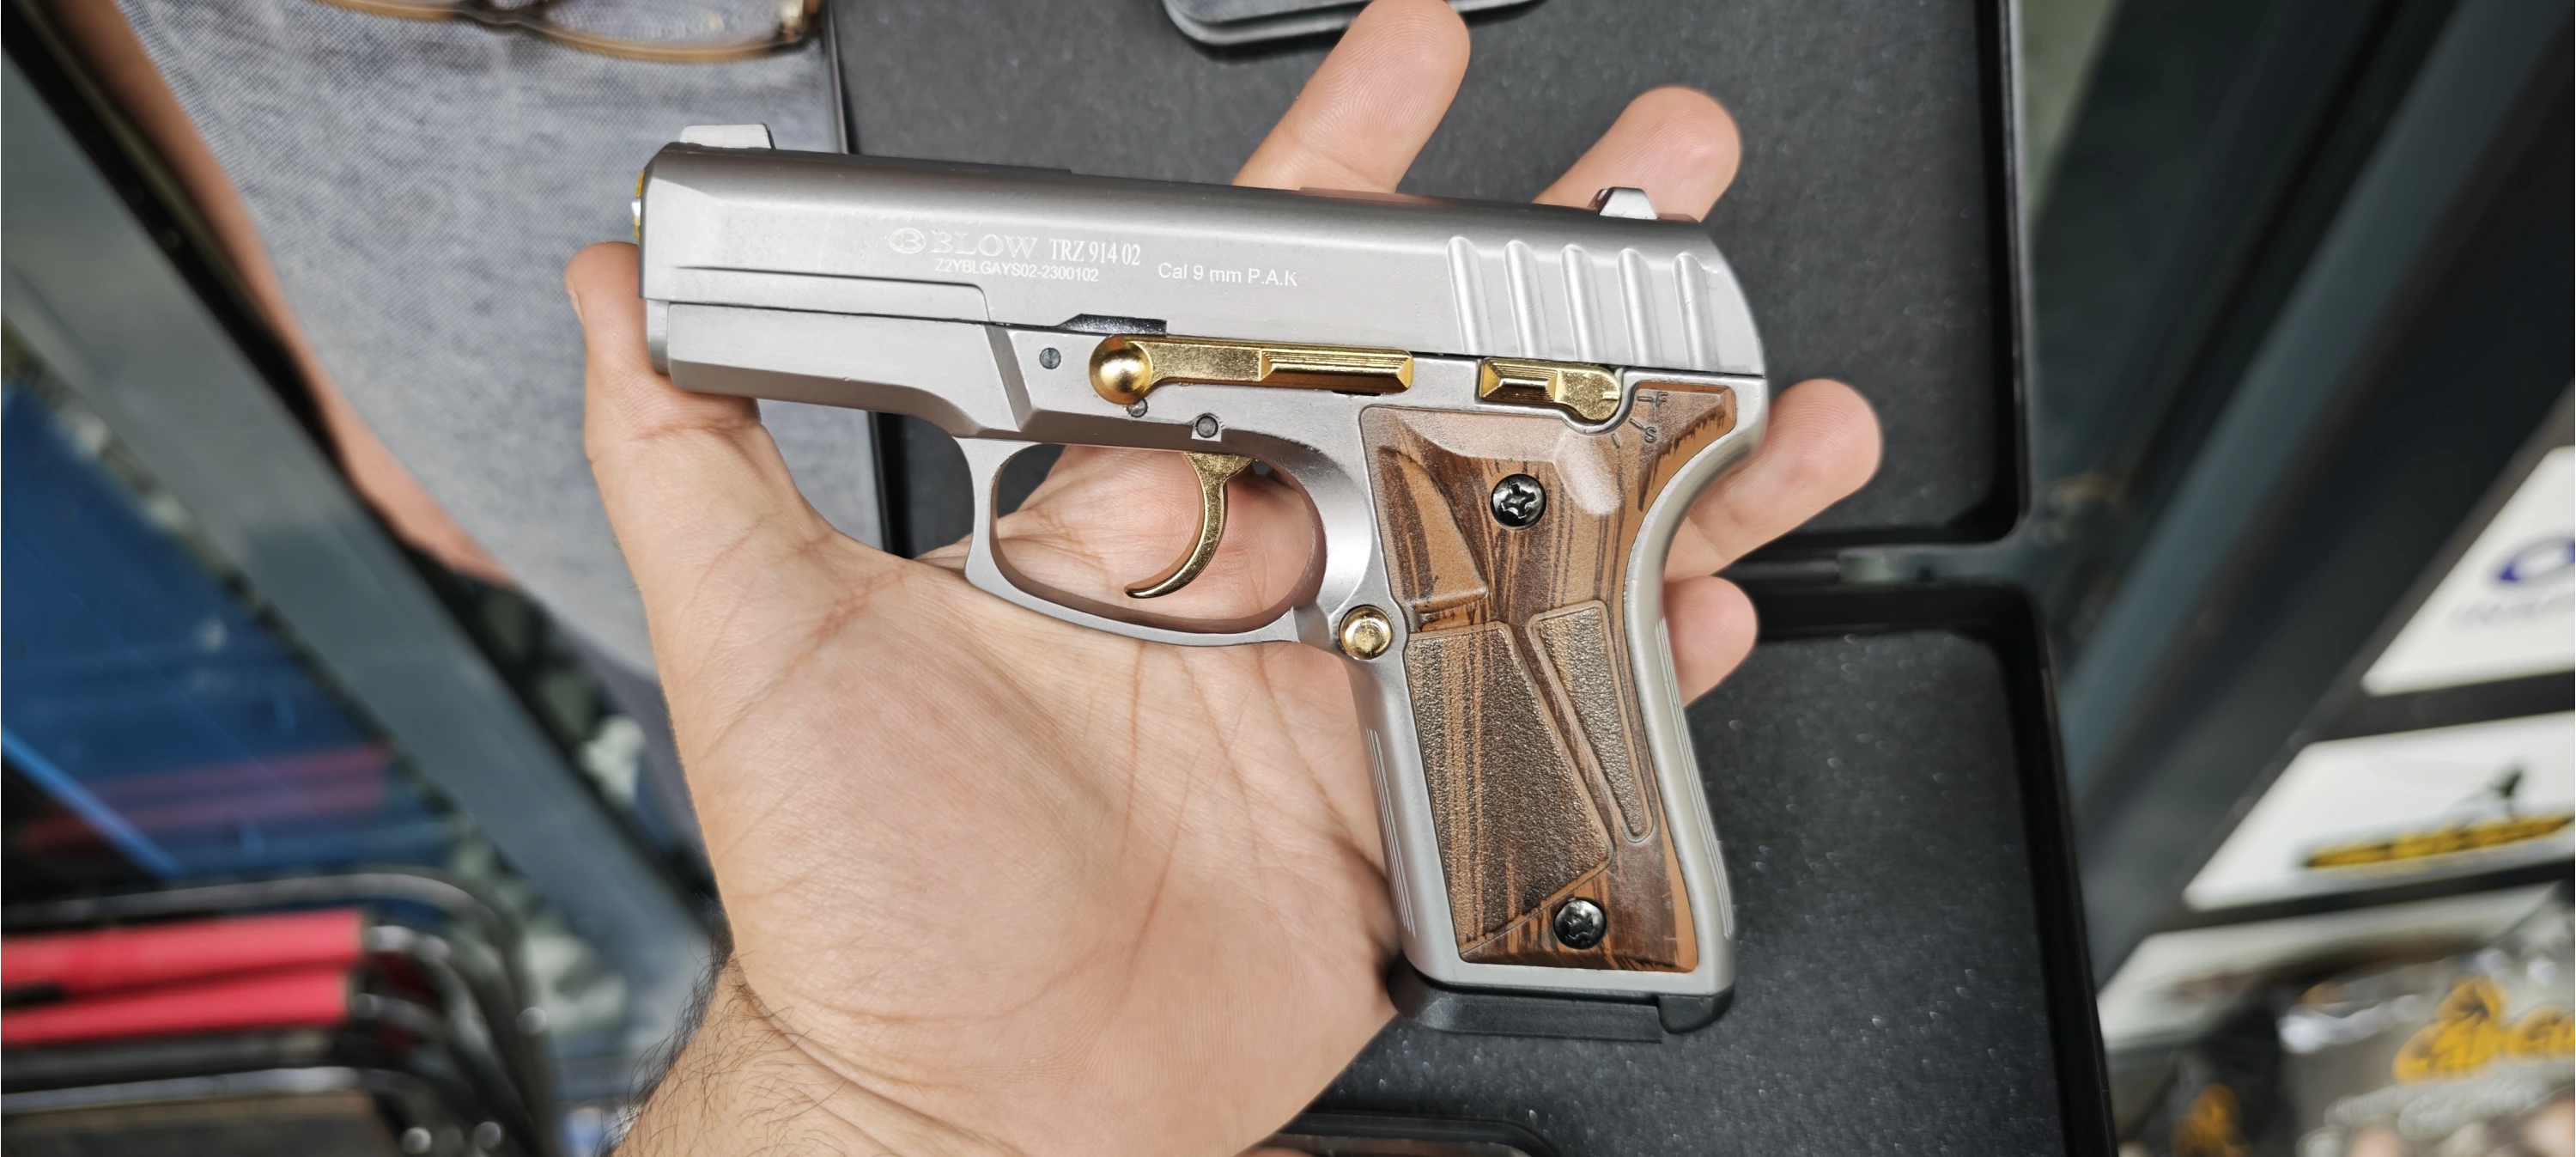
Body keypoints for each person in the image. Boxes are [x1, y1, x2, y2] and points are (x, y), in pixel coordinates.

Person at [567, 2, 1883, 1153]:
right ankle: (1570, 929)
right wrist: (865, 1101)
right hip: (1511, 389)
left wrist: (864, 1104)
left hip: (1512, 409)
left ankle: (1567, 928)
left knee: (1500, 597)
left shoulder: (1498, 403)